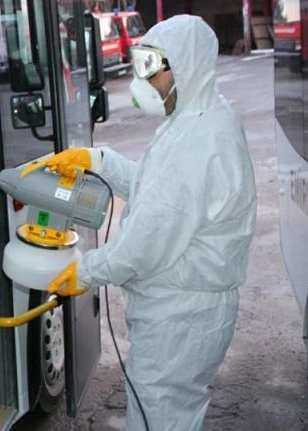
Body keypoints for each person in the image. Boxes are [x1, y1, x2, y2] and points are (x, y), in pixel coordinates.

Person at [46, 15, 257, 431]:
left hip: (179, 317)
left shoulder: (198, 141)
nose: (142, 81)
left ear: (185, 66)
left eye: (150, 68)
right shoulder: (199, 119)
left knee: (160, 417)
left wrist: (85, 272)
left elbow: (146, 242)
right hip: (184, 311)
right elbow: (155, 188)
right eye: (139, 64)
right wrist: (99, 161)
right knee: (166, 414)